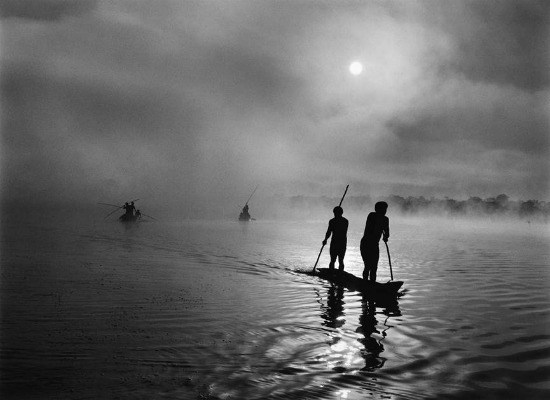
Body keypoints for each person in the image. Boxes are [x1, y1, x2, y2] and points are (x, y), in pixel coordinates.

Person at [360, 201, 389, 282]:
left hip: (375, 245)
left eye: (386, 209)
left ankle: (373, 283)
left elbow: (387, 232)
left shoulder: (385, 219)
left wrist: (385, 237)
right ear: (377, 209)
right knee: (367, 265)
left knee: (374, 267)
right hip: (366, 243)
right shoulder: (372, 215)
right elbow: (374, 226)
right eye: (384, 209)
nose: (385, 211)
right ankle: (365, 282)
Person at [322, 206, 349, 271]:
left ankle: (340, 273)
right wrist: (325, 239)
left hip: (340, 243)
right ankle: (332, 272)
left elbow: (330, 231)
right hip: (338, 242)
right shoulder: (342, 221)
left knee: (340, 260)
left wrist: (326, 239)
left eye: (336, 213)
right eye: (335, 213)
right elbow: (329, 232)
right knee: (333, 260)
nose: (335, 214)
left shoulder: (339, 221)